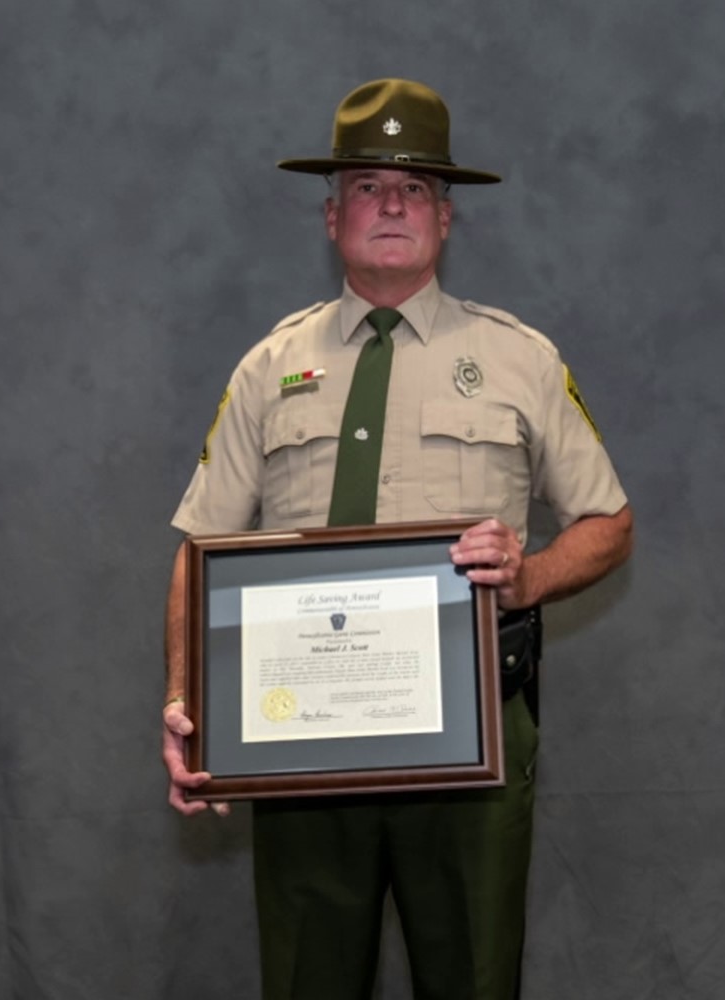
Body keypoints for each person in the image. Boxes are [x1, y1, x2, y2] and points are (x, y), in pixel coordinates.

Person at [160, 78, 634, 1000]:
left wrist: (527, 577)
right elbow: (198, 548)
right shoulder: (269, 367)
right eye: (369, 185)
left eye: (414, 188)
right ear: (333, 216)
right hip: (298, 749)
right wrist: (187, 699)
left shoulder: (520, 360)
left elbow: (611, 525)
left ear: (446, 221)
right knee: (307, 983)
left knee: (472, 980)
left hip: (471, 745)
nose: (391, 203)